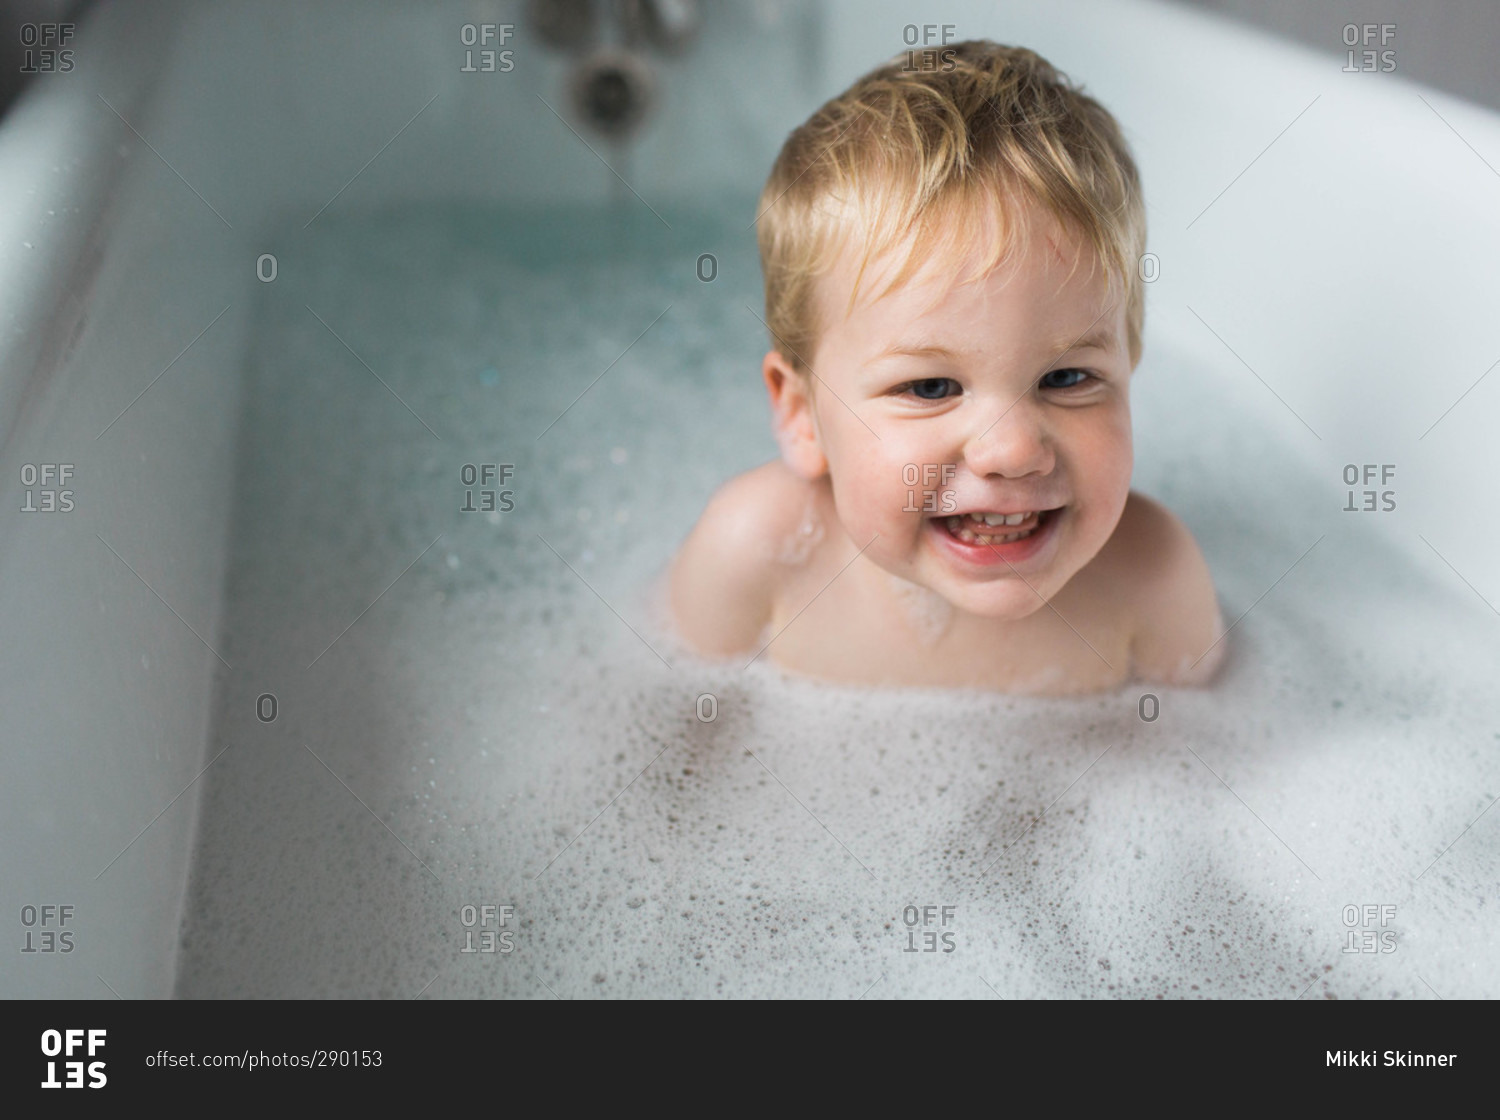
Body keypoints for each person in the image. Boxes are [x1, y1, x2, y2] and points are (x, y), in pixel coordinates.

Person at [669, 40, 1223, 694]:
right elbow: (677, 730)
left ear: (1129, 369)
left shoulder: (1152, 579)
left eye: (1067, 378)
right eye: (930, 387)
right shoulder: (756, 552)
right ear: (801, 415)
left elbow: (1210, 757)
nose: (1013, 451)